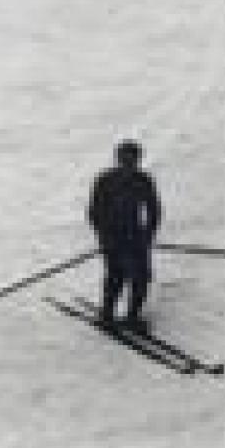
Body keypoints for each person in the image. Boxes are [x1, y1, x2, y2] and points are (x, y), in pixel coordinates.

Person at [86, 139, 163, 327]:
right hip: (113, 236)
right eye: (125, 160)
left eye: (133, 160)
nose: (129, 164)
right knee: (116, 276)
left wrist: (148, 234)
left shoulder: (144, 180)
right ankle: (107, 315)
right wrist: (104, 237)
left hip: (136, 236)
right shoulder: (105, 180)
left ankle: (133, 316)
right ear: (119, 159)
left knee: (141, 277)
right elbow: (95, 211)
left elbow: (153, 210)